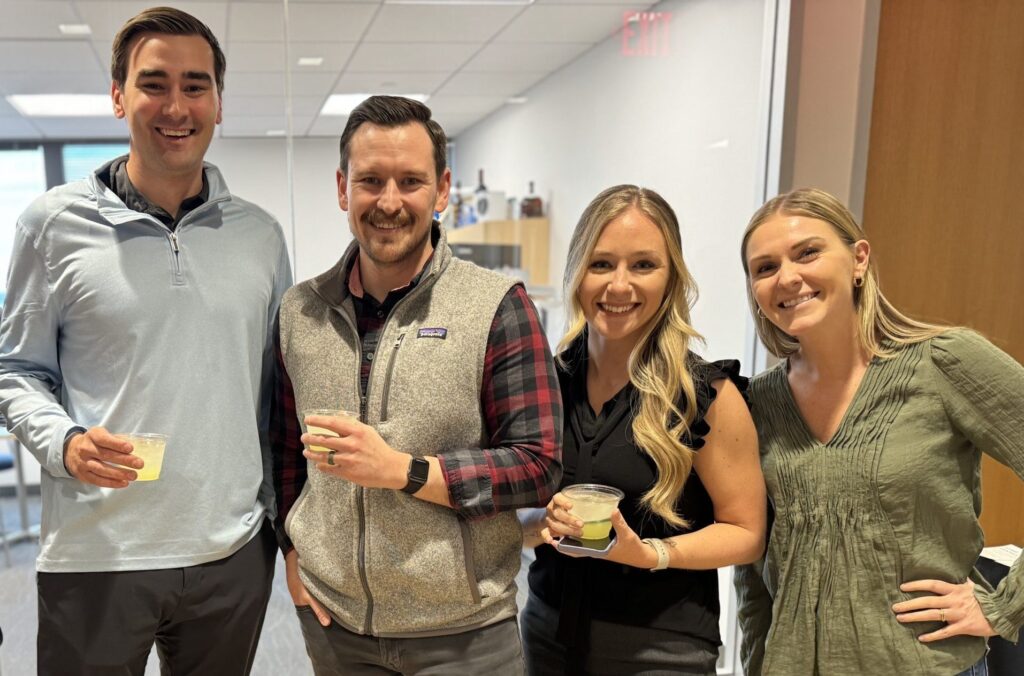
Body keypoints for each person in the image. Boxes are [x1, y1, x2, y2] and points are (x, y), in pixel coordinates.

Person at [0, 7, 291, 674]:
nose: (176, 106)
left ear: (220, 102)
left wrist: (280, 527)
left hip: (231, 552)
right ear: (118, 95)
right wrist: (64, 442)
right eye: (154, 83)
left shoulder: (261, 236)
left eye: (196, 85)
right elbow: (15, 369)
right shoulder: (51, 226)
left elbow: (278, 390)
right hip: (97, 551)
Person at [271, 95, 563, 675]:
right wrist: (292, 550)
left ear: (442, 189)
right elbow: (282, 447)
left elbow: (539, 464)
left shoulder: (497, 307)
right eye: (370, 180)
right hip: (337, 628)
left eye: (410, 181)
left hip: (465, 637)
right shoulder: (300, 311)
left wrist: (404, 471)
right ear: (341, 187)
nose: (388, 202)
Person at [734, 187, 1024, 675]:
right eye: (764, 268)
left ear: (858, 260)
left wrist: (1001, 607)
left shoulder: (945, 363)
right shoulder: (756, 404)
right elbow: (755, 570)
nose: (787, 277)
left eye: (807, 252)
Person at [519, 185, 766, 675]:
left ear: (671, 276)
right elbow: (519, 505)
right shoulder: (547, 382)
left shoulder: (705, 395)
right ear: (576, 273)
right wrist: (536, 526)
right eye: (602, 263)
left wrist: (649, 554)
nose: (619, 286)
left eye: (643, 265)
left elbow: (746, 533)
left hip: (659, 650)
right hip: (546, 634)